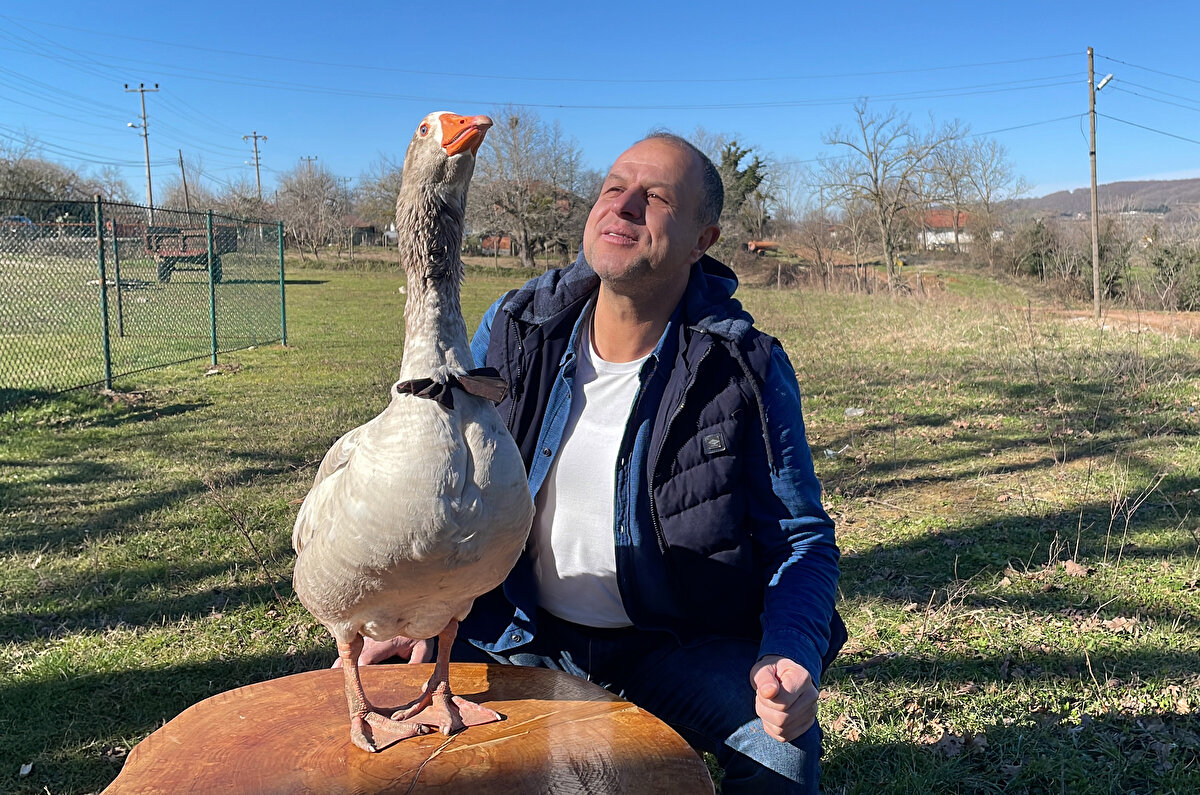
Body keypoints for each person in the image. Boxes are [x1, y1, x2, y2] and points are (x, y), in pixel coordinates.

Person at [351, 132, 844, 793]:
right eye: (614, 187)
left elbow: (800, 536)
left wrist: (790, 649)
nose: (625, 205)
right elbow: (449, 480)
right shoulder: (517, 324)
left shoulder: (746, 367)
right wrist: (415, 608)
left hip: (676, 647)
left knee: (782, 748)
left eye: (657, 196)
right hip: (516, 634)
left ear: (703, 239)